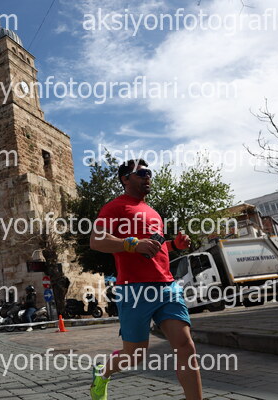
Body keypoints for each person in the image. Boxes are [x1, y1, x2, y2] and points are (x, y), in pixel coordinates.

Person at [88, 159, 201, 400]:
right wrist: (131, 244)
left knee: (186, 346)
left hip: (167, 286)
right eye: (142, 173)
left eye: (149, 172)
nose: (148, 176)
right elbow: (96, 241)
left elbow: (155, 248)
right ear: (125, 179)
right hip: (135, 290)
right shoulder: (114, 208)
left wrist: (174, 245)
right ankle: (103, 372)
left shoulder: (153, 213)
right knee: (134, 355)